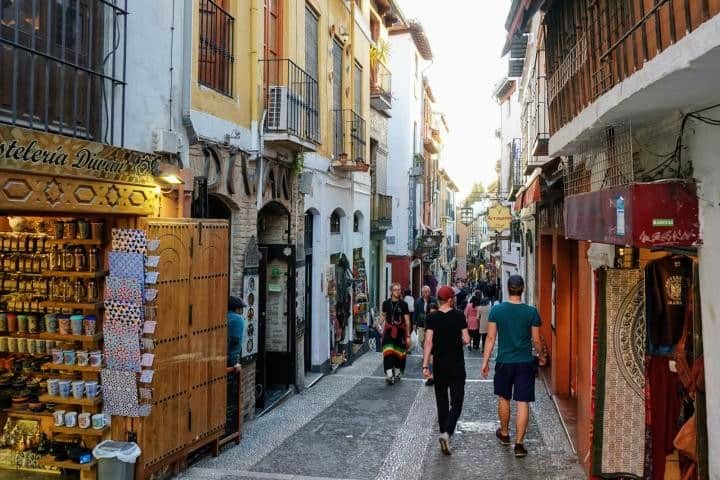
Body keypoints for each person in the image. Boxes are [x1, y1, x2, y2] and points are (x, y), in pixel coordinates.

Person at [481, 275, 546, 458]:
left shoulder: (497, 311)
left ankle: (504, 433)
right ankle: (519, 444)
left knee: (504, 397)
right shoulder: (531, 312)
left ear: (508, 288)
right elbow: (536, 340)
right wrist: (541, 356)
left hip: (504, 361)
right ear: (523, 289)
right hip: (525, 362)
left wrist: (485, 362)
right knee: (523, 401)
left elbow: (491, 338)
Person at [423, 285, 471, 455]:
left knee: (441, 400)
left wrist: (425, 365)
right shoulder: (458, 316)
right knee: (457, 401)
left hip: (439, 365)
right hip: (456, 365)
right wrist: (461, 338)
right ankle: (447, 432)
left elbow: (428, 342)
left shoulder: (431, 318)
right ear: (450, 299)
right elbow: (466, 339)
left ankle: (444, 432)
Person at [381, 283, 411, 385]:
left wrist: (408, 336)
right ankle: (389, 375)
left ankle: (397, 372)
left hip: (400, 332)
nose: (398, 291)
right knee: (388, 353)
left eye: (399, 289)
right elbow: (383, 316)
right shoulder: (386, 303)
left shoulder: (404, 304)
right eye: (395, 289)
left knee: (399, 354)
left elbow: (407, 321)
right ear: (391, 291)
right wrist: (377, 324)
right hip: (389, 331)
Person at [413, 286, 435, 353]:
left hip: (430, 324)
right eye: (425, 292)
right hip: (421, 323)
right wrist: (414, 323)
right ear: (422, 292)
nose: (427, 293)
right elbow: (415, 312)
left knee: (429, 339)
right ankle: (426, 350)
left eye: (428, 292)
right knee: (421, 340)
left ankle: (428, 352)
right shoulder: (418, 301)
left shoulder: (433, 300)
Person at [227, 296, 246, 369]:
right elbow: (235, 341)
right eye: (241, 308)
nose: (242, 310)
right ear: (236, 308)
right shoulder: (238, 319)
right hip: (231, 357)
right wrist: (235, 362)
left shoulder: (223, 315)